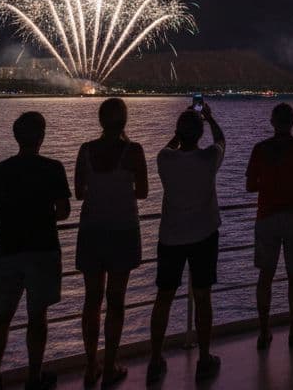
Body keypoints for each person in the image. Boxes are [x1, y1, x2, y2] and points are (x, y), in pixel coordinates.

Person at [0, 112, 71, 390]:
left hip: (7, 251)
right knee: (37, 317)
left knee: (2, 317)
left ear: (16, 137)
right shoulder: (53, 168)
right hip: (43, 250)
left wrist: (8, 215)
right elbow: (63, 211)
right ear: (41, 137)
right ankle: (34, 377)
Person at [148, 103, 226, 384]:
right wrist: (210, 117)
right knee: (203, 297)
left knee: (163, 298)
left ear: (179, 134)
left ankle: (155, 360)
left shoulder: (165, 159)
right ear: (200, 133)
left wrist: (177, 135)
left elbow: (168, 148)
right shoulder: (208, 159)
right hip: (204, 235)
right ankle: (204, 358)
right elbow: (221, 141)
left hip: (170, 238)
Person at [74, 98, 148, 387]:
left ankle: (90, 365)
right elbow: (142, 192)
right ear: (125, 121)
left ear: (100, 120)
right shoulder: (134, 151)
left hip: (91, 229)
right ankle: (109, 365)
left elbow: (79, 193)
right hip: (123, 229)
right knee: (116, 301)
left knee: (91, 300)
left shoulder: (86, 150)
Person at [246, 102, 293, 349]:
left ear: (272, 122)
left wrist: (269, 183)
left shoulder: (260, 149)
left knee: (265, 276)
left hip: (267, 217)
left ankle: (264, 332)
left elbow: (250, 186)